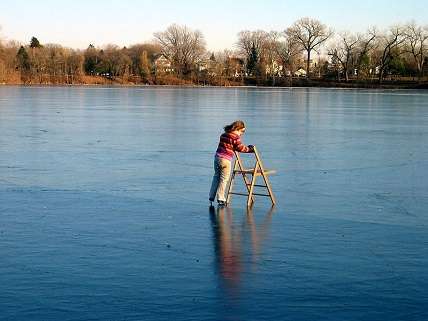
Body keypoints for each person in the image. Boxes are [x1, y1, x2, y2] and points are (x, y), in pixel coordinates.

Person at [209, 120, 254, 206]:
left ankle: (211, 196)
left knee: (216, 177)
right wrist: (249, 149)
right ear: (238, 128)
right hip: (226, 160)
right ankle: (221, 198)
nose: (242, 134)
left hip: (217, 158)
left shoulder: (223, 135)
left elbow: (230, 145)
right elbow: (240, 148)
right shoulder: (235, 137)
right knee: (224, 179)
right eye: (242, 131)